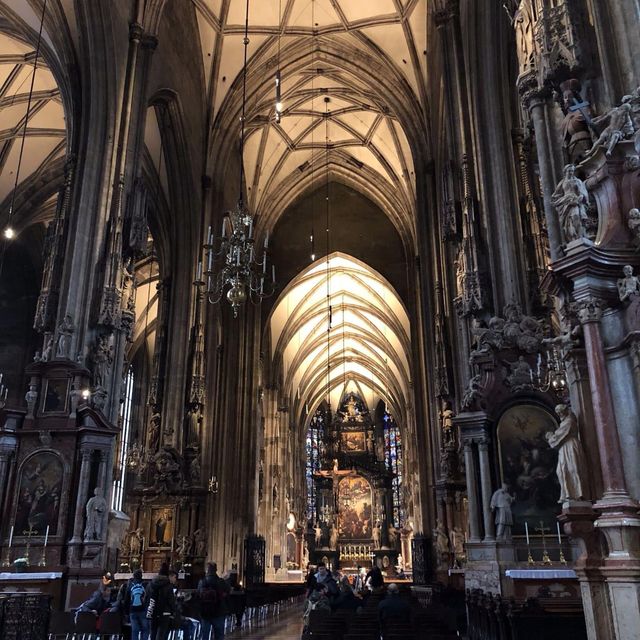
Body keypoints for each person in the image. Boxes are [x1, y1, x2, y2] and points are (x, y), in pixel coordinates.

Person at [198, 562, 230, 640]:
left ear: (206, 570)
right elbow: (227, 592)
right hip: (218, 611)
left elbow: (198, 594)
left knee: (204, 636)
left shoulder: (202, 582)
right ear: (216, 570)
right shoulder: (221, 581)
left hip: (205, 612)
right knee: (219, 635)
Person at [146, 563, 176, 640]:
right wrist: (174, 611)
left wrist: (148, 608)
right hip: (165, 612)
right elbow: (171, 600)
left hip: (153, 611)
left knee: (153, 633)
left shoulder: (151, 584)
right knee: (161, 635)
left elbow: (146, 597)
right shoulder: (168, 585)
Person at [116, 568, 149, 640]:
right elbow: (148, 597)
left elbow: (126, 599)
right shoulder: (145, 585)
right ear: (141, 576)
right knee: (145, 628)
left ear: (133, 576)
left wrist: (126, 612)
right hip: (143, 610)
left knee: (134, 630)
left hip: (132, 610)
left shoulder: (130, 585)